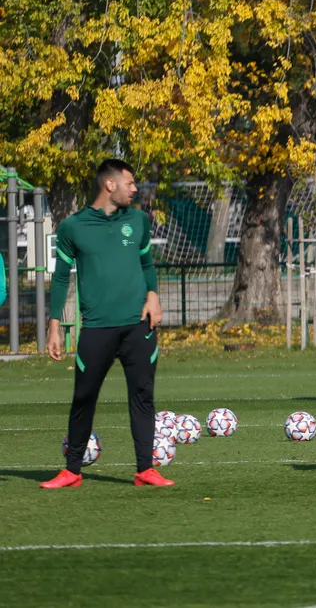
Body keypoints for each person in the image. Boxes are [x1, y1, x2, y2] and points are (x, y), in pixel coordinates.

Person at [41, 159, 172, 489]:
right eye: (129, 182)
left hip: (138, 328)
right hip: (96, 330)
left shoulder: (139, 220)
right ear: (109, 185)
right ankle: (72, 471)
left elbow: (147, 264)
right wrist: (54, 324)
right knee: (83, 398)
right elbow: (60, 277)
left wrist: (153, 295)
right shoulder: (74, 227)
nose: (134, 188)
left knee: (143, 397)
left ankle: (145, 469)